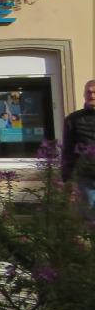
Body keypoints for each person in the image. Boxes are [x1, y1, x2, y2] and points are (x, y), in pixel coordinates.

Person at [61, 78, 95, 215]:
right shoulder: (73, 119)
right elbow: (67, 150)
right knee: (89, 217)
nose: (92, 95)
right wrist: (67, 179)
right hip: (86, 177)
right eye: (88, 92)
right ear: (84, 94)